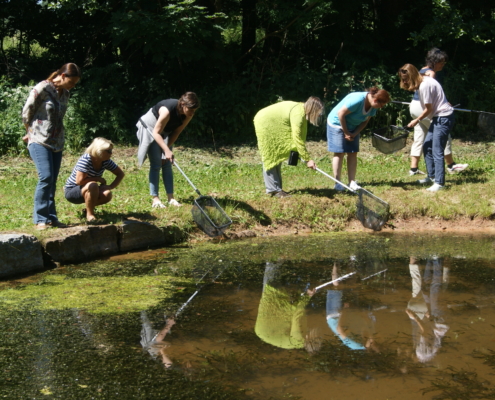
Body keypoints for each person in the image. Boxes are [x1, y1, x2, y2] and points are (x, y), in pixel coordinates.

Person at [22, 63, 81, 230]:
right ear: (62, 76)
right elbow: (27, 111)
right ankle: (40, 218)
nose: (73, 86)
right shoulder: (43, 88)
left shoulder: (66, 93)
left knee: (53, 181)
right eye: (71, 82)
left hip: (57, 142)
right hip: (38, 139)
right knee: (45, 177)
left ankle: (51, 217)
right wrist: (29, 132)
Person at [408, 48, 468, 176]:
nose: (443, 65)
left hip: (413, 106)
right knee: (441, 135)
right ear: (435, 62)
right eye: (442, 62)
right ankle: (451, 165)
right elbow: (431, 93)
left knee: (419, 136)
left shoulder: (420, 71)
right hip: (423, 107)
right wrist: (443, 103)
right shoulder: (431, 73)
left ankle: (413, 168)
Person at [136, 92, 200, 208]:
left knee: (166, 163)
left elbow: (176, 132)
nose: (192, 113)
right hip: (150, 128)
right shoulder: (167, 111)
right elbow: (156, 132)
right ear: (182, 104)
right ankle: (155, 199)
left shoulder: (188, 115)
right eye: (190, 109)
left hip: (164, 132)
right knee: (156, 164)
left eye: (194, 110)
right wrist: (165, 150)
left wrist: (166, 150)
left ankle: (171, 199)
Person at [253, 97, 325, 198]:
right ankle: (273, 190)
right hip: (265, 122)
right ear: (312, 109)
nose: (318, 115)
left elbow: (300, 136)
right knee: (270, 155)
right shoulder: (298, 114)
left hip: (274, 123)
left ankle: (277, 189)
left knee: (276, 155)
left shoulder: (301, 111)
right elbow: (297, 138)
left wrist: (303, 156)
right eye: (317, 113)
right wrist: (308, 159)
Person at [399, 64, 455, 192]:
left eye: (406, 79)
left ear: (412, 75)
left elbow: (428, 109)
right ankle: (432, 176)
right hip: (437, 117)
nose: (405, 82)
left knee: (437, 149)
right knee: (427, 145)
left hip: (443, 118)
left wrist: (416, 120)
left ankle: (440, 183)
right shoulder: (423, 80)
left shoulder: (424, 86)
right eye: (403, 79)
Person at [327, 87, 390, 191]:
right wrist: (346, 132)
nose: (381, 107)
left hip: (353, 127)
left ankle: (352, 182)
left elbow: (365, 121)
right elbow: (340, 114)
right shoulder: (357, 100)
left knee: (352, 152)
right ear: (375, 100)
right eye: (381, 105)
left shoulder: (373, 106)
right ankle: (337, 183)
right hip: (337, 123)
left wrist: (355, 133)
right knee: (339, 152)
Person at [64, 137, 125, 222]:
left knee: (107, 194)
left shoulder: (105, 161)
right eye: (108, 151)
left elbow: (120, 174)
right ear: (99, 150)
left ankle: (88, 209)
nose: (111, 154)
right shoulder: (86, 159)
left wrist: (110, 187)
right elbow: (79, 181)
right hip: (72, 190)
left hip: (90, 189)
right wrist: (97, 178)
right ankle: (90, 215)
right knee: (93, 184)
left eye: (111, 151)